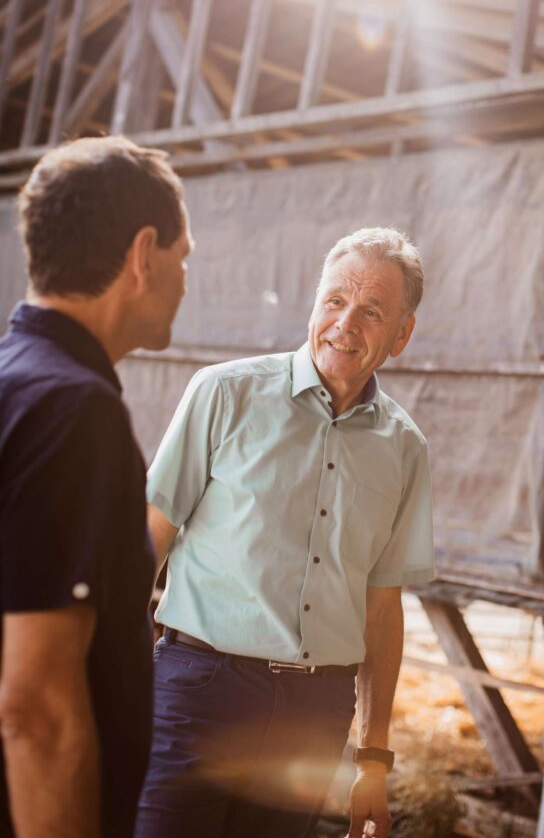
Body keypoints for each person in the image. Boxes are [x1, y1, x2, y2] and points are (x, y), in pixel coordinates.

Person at [136, 226, 435, 838]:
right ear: (313, 303)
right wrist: (116, 681)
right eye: (334, 300)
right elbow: (147, 540)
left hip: (316, 712)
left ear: (401, 334)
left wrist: (373, 759)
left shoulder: (405, 449)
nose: (345, 324)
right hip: (198, 689)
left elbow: (383, 609)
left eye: (372, 311)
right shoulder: (224, 393)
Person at [0, 136, 192, 838]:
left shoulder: (15, 380)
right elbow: (38, 707)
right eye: (183, 257)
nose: (184, 278)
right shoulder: (73, 410)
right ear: (143, 255)